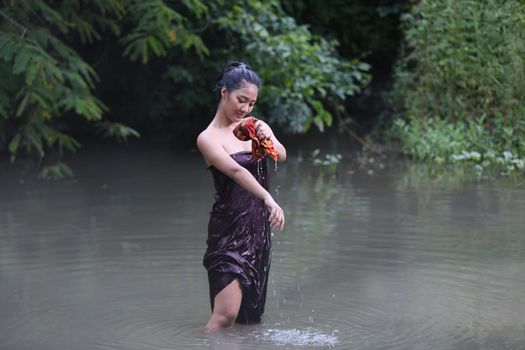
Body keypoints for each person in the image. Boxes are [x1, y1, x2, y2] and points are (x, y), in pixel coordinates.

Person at [196, 61, 286, 331]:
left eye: (251, 103)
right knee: (225, 316)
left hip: (257, 229)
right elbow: (236, 171)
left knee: (250, 320)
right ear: (224, 93)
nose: (245, 109)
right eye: (241, 100)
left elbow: (280, 155)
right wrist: (268, 198)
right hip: (228, 231)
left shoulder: (253, 127)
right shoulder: (208, 138)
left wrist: (268, 135)